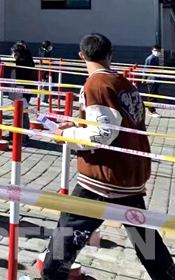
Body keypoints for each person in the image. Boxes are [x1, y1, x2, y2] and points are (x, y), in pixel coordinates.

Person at [22, 34, 175, 280]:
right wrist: (78, 124)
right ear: (110, 54)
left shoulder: (96, 85)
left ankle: (51, 275)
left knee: (68, 230)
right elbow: (117, 125)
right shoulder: (123, 83)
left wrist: (66, 134)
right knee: (144, 237)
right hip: (130, 174)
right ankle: (166, 275)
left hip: (102, 177)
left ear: (81, 56)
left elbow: (103, 133)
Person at [10, 41, 35, 134]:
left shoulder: (20, 63)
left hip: (21, 89)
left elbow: (18, 77)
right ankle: (23, 132)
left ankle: (22, 133)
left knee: (21, 111)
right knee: (23, 111)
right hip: (25, 88)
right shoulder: (28, 60)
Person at [144, 46, 163, 117]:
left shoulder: (156, 58)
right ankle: (151, 111)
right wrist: (144, 79)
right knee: (151, 95)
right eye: (155, 50)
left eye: (158, 51)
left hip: (156, 79)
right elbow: (146, 69)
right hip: (151, 80)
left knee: (154, 95)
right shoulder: (150, 58)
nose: (157, 52)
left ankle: (152, 110)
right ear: (152, 50)